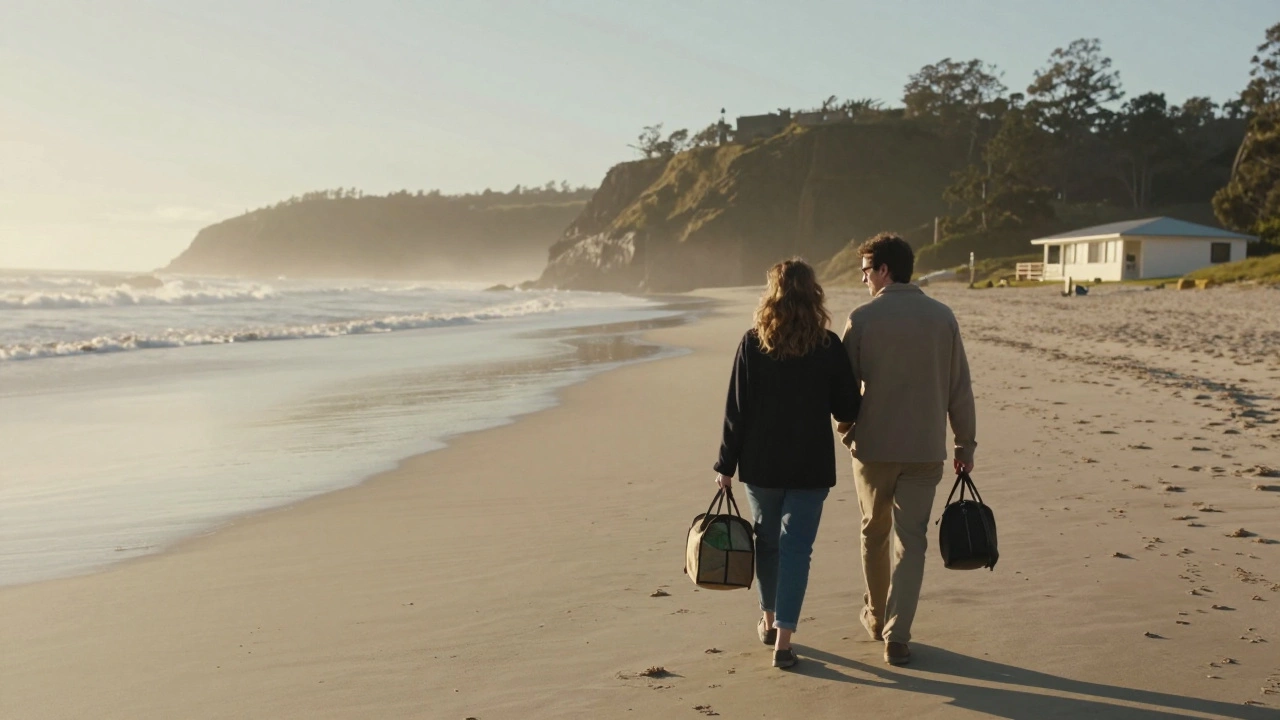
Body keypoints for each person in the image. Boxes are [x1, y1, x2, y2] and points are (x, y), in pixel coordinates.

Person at [837, 232, 977, 667]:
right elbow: (960, 388)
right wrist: (965, 443)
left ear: (883, 270)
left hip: (874, 448)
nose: (863, 280)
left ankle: (877, 618)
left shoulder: (861, 319)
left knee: (873, 533)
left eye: (865, 272)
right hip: (924, 448)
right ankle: (897, 636)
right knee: (911, 541)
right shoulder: (943, 317)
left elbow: (842, 390)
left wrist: (846, 429)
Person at [713, 258, 861, 669]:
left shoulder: (753, 342)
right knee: (798, 550)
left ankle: (767, 618)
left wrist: (725, 463)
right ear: (813, 294)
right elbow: (846, 406)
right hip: (811, 465)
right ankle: (784, 641)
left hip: (761, 464)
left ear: (772, 295)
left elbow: (735, 411)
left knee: (769, 545)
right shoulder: (828, 345)